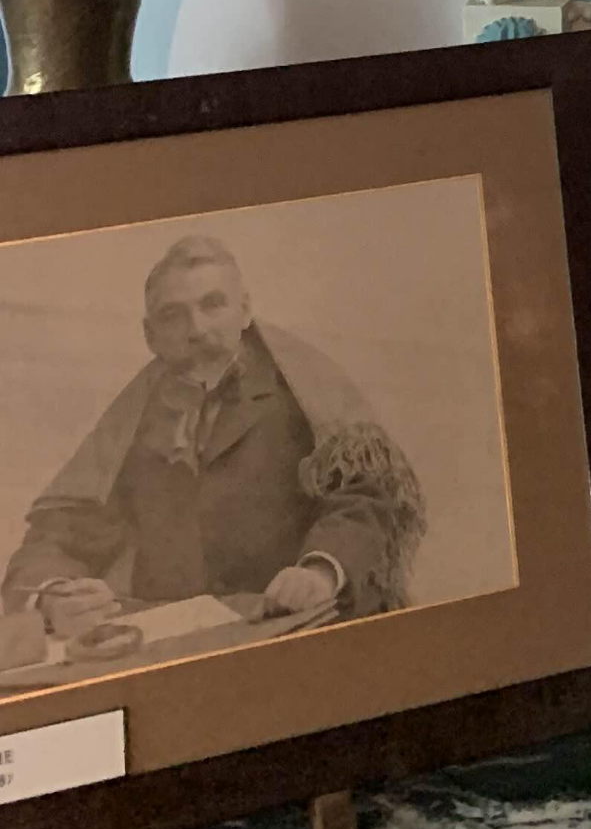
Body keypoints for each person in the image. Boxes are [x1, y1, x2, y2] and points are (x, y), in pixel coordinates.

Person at [4, 236, 425, 640]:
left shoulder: (304, 397)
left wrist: (320, 571)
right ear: (150, 335)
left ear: (245, 310)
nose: (197, 329)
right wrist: (54, 596)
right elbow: (57, 535)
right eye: (173, 315)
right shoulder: (131, 425)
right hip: (172, 645)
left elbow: (369, 498)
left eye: (213, 305)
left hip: (295, 629)